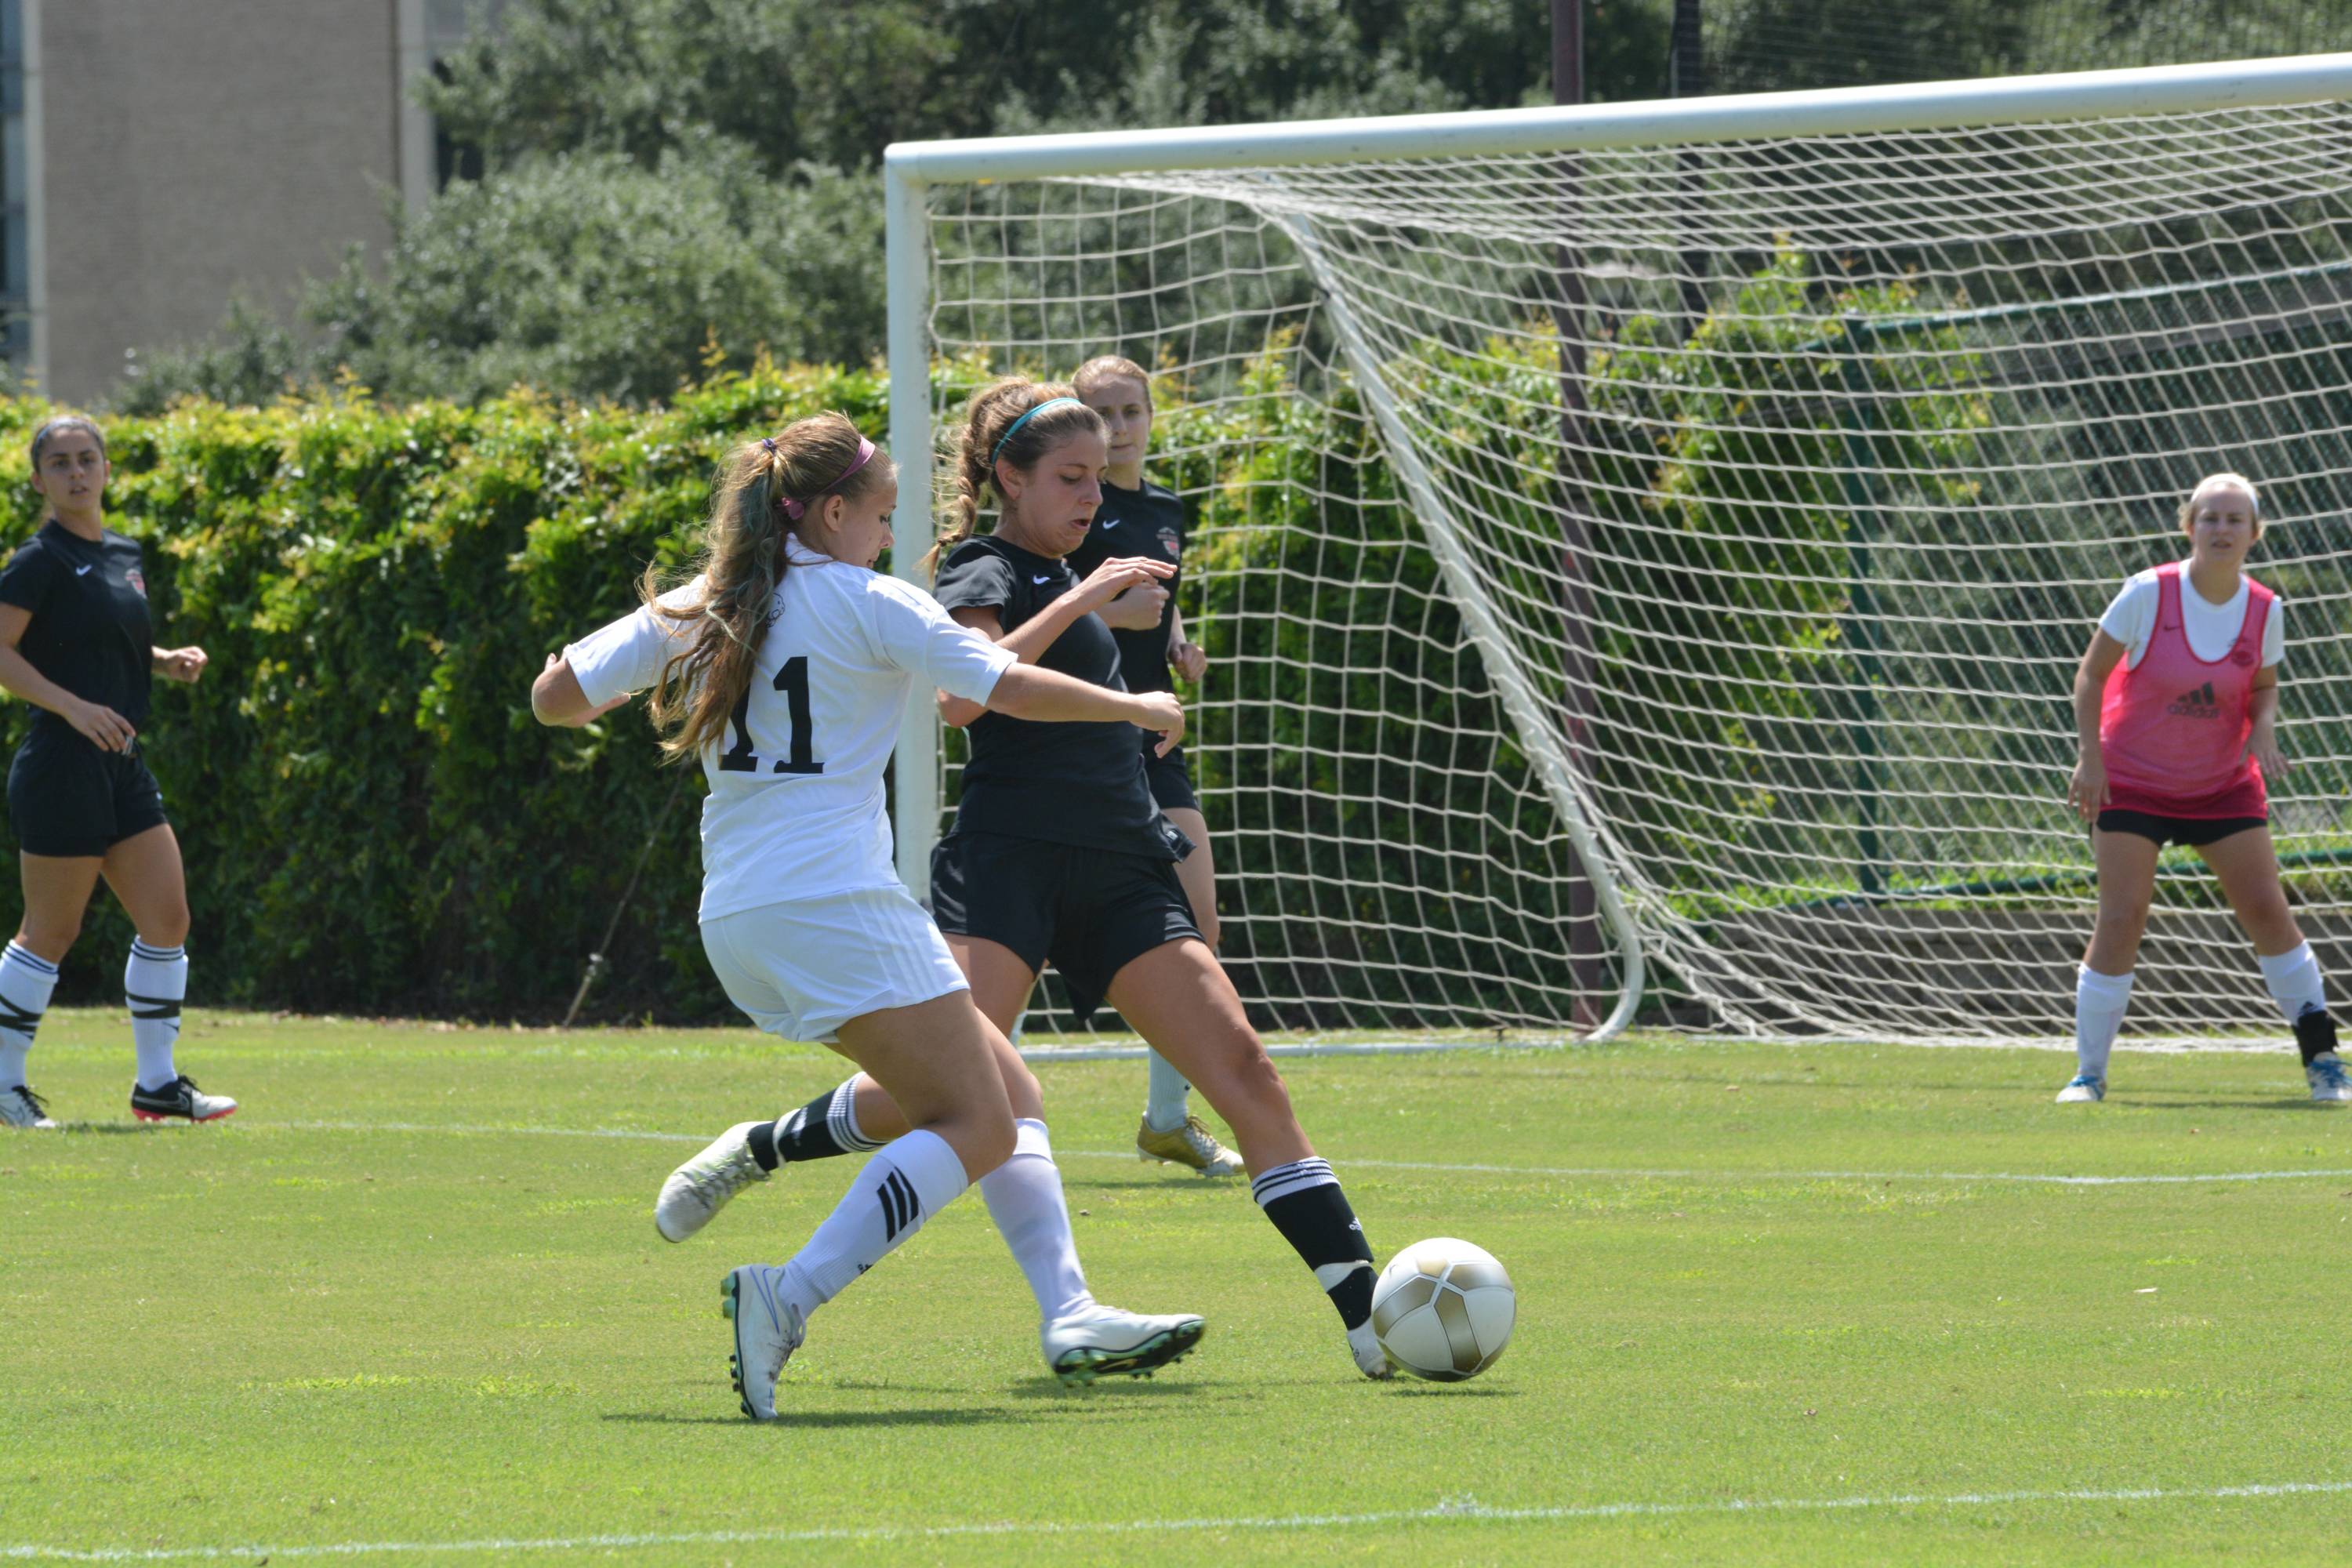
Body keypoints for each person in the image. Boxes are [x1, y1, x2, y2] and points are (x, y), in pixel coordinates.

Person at [534, 414, 1202, 1417]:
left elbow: (554, 698)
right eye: (883, 514)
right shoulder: (872, 601)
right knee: (976, 1119)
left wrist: (670, 634)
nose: (890, 536)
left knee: (1007, 1089)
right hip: (836, 900)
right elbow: (1004, 686)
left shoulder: (710, 604)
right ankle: (788, 1294)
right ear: (833, 511)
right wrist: (1137, 708)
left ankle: (1069, 1309)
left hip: (739, 916)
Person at [914, 378, 1391, 1377]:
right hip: (1012, 862)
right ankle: (776, 1164)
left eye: (1098, 475)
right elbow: (965, 694)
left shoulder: (1086, 566)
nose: (1093, 494)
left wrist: (1157, 652)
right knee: (945, 1093)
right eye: (1070, 476)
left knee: (1248, 1075)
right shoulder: (978, 564)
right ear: (1009, 477)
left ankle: (1375, 1317)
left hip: (1124, 864)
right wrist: (1098, 622)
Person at [2063, 470, 2346, 1105]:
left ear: (2254, 534)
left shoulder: (2266, 608)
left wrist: (2263, 729)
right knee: (2122, 916)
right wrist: (2091, 758)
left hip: (2223, 785)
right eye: (2210, 517)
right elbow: (2089, 676)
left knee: (2270, 913)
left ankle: (2324, 1061)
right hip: (2131, 781)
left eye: (2234, 519)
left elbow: (2264, 687)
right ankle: (2089, 1075)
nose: (2221, 529)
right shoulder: (2145, 593)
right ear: (2189, 527)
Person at [0, 416, 228, 1131]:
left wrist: (161, 660)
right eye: (60, 463)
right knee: (51, 932)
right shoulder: (36, 560)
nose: (76, 472)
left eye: (87, 459)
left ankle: (157, 1085)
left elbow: (99, 635)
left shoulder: (122, 552)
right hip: (61, 763)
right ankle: (4, 1086)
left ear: (106, 470)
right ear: (39, 481)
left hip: (123, 761)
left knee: (168, 918)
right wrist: (71, 707)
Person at [1065, 354, 1241, 1178]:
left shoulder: (1168, 507)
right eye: (1102, 413)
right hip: (1081, 733)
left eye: (1131, 410)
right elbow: (1038, 609)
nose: (1121, 427)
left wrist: (1175, 641)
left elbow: (1161, 603)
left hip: (1157, 732)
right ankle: (946, 1093)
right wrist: (1107, 607)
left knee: (1197, 926)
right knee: (1024, 933)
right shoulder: (1068, 502)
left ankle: (1166, 1117)